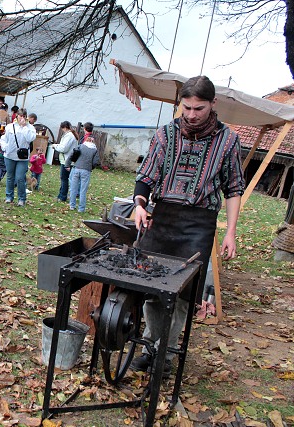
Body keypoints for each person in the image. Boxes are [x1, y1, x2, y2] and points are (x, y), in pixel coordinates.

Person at [129, 76, 245, 376]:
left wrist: (231, 232)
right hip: (163, 218)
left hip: (198, 225)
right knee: (151, 289)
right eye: (187, 107)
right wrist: (140, 205)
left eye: (199, 108)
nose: (191, 115)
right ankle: (150, 348)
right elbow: (146, 176)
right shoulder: (166, 134)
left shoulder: (228, 140)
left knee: (180, 297)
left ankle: (165, 357)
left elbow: (233, 188)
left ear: (213, 104)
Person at [0, 108, 36, 206]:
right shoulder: (10, 126)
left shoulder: (30, 128)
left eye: (24, 116)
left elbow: (30, 138)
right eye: (20, 116)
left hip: (22, 157)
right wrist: (5, 148)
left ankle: (21, 198)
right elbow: (3, 138)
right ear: (17, 116)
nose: (22, 118)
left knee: (20, 177)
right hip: (10, 155)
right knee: (10, 177)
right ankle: (9, 197)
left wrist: (24, 127)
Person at [66, 136, 99, 212]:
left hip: (77, 168)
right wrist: (91, 167)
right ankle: (81, 208)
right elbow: (95, 162)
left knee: (73, 188)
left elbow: (72, 155)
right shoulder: (95, 150)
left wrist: (67, 164)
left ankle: (72, 205)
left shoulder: (81, 146)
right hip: (86, 170)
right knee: (83, 190)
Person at [51, 121, 78, 202]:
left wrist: (55, 146)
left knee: (64, 179)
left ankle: (62, 196)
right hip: (68, 160)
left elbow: (64, 148)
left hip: (67, 160)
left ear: (65, 128)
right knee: (65, 178)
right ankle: (61, 195)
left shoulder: (69, 136)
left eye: (62, 128)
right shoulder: (71, 135)